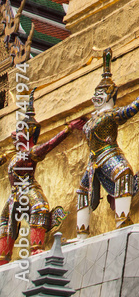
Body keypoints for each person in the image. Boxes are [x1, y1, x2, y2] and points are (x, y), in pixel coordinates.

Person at [76, 48, 139, 235]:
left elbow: (130, 110)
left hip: (110, 154)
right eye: (95, 94)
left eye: (100, 94)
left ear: (109, 95)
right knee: (83, 190)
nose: (95, 98)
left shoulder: (110, 114)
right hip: (93, 160)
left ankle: (122, 219)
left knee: (124, 173)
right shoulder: (92, 119)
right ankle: (81, 233)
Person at [0, 91, 83, 260]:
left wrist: (68, 130)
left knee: (40, 208)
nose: (14, 137)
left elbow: (49, 145)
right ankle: (3, 256)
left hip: (28, 188)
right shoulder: (14, 156)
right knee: (5, 222)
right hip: (15, 194)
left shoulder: (30, 152)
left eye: (19, 133)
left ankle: (36, 247)